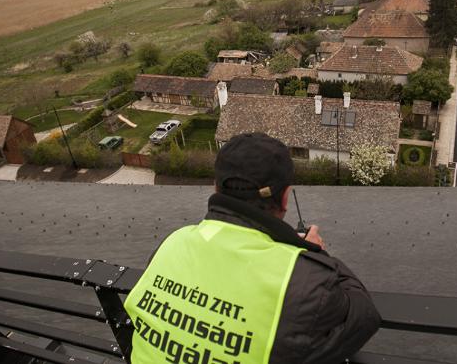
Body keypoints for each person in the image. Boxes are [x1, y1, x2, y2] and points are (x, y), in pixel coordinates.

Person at [124, 133, 381, 363]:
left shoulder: (174, 242)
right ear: (284, 197)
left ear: (216, 187)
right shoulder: (303, 279)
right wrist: (312, 252)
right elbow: (364, 314)